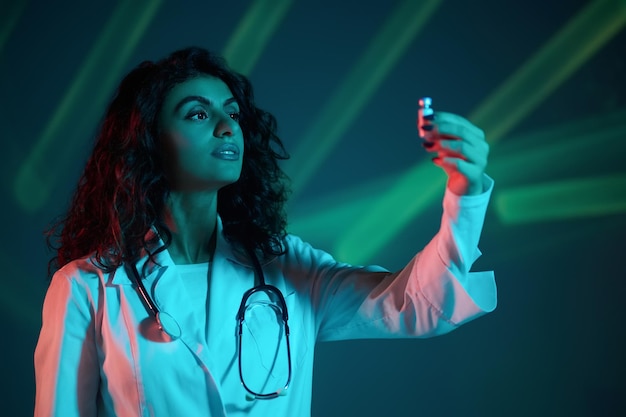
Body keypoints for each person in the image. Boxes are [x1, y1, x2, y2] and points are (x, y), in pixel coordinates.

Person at [34, 46, 497, 417]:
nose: (225, 127)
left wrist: (466, 193)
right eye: (198, 114)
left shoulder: (288, 267)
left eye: (233, 114)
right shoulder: (86, 288)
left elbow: (419, 305)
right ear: (149, 140)